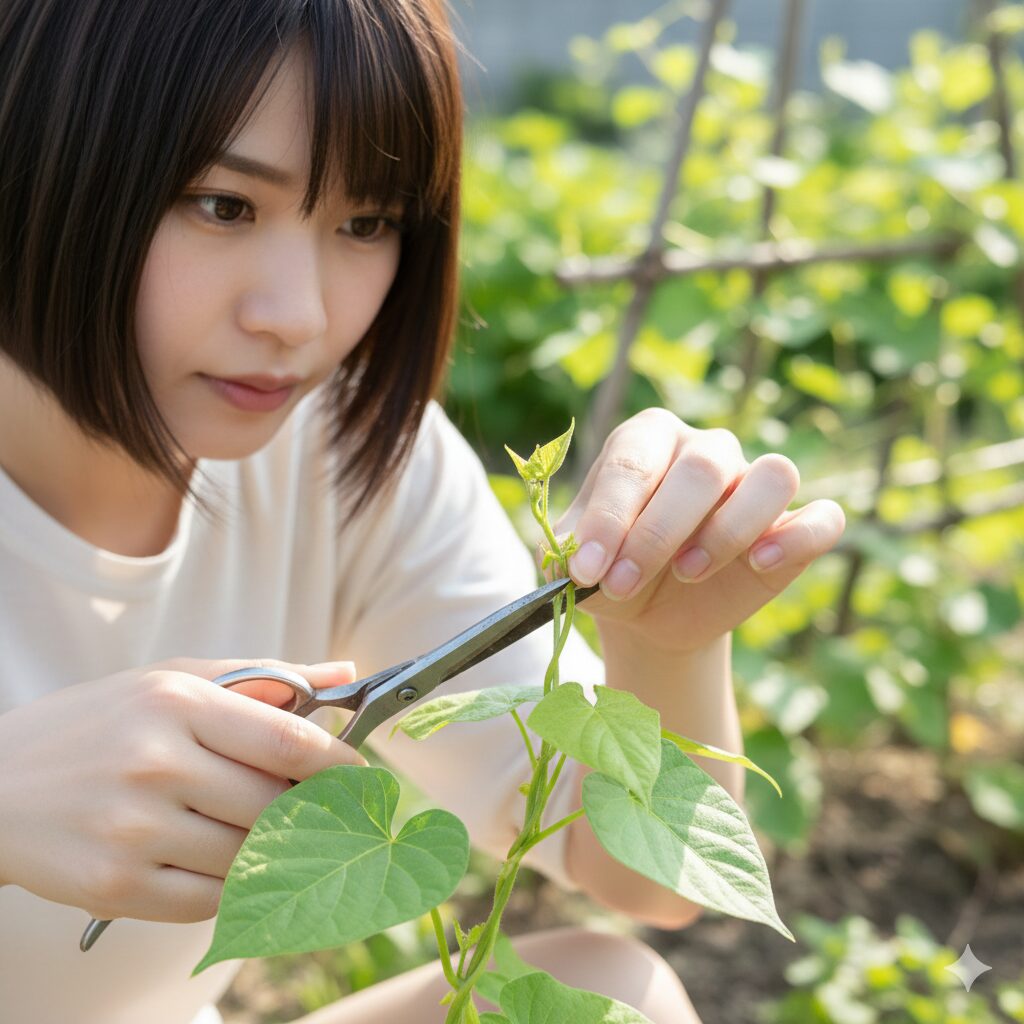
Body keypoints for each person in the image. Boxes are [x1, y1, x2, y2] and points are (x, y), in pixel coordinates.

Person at [0, 1, 846, 1022]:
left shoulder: (340, 450)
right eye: (223, 205)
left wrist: (664, 644)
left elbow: (644, 880)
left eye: (365, 223)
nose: (300, 316)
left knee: (611, 998)